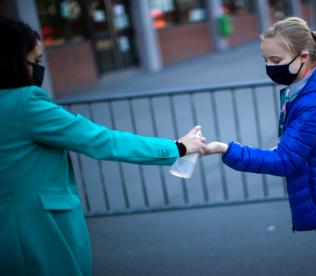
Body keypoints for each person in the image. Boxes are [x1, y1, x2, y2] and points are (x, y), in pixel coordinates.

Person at [0, 17, 205, 276]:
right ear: (14, 61)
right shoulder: (25, 104)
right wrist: (177, 148)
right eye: (36, 61)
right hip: (34, 229)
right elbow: (102, 141)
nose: (39, 69)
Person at [205, 17, 316, 275]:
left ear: (303, 57)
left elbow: (284, 160)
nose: (269, 67)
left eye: (275, 61)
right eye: (265, 60)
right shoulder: (302, 89)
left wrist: (225, 149)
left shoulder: (315, 103)